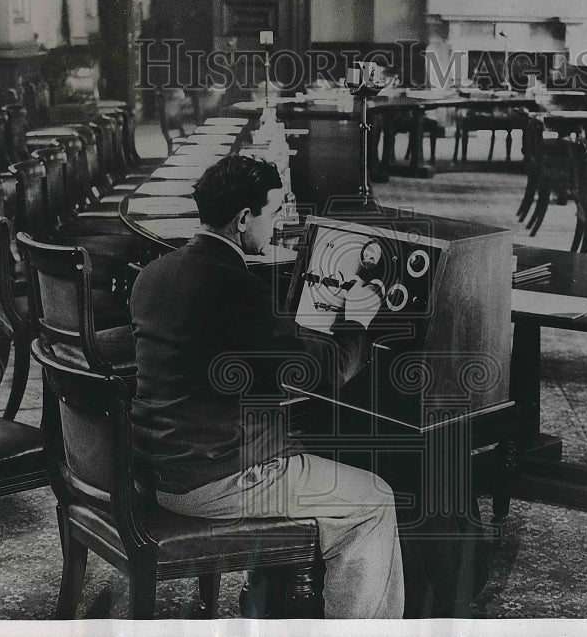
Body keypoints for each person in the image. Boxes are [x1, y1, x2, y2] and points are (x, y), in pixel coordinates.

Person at [129, 154, 404, 619]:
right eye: (273, 213)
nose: (276, 226)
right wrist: (356, 317)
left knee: (305, 445)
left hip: (157, 467)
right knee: (374, 499)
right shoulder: (238, 289)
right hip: (215, 481)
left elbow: (247, 356)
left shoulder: (153, 274)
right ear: (242, 219)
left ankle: (274, 599)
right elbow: (327, 372)